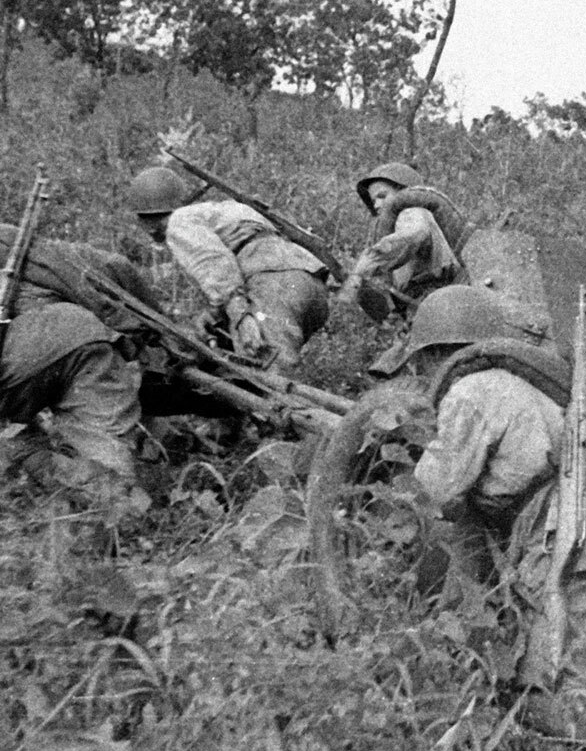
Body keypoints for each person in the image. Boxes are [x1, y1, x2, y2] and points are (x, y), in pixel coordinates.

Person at [388, 284, 586, 740]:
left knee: (548, 692)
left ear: (435, 354)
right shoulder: (540, 385)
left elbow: (431, 494)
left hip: (567, 538)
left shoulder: (471, 391)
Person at [0, 229, 154, 506]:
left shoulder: (12, 244)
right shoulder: (15, 243)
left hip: (60, 349)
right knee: (23, 443)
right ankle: (106, 496)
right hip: (76, 337)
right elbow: (112, 265)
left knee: (111, 490)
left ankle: (109, 503)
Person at [125, 166, 329, 371]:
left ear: (146, 221)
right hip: (310, 283)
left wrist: (241, 317)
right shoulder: (225, 210)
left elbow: (217, 263)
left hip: (273, 289)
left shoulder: (179, 221)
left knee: (268, 376)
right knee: (270, 369)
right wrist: (215, 313)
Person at [336, 162, 463, 323]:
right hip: (430, 305)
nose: (376, 205)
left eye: (382, 196)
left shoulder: (412, 213)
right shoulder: (399, 224)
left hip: (438, 302)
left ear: (403, 191)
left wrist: (365, 266)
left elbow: (412, 236)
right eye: (373, 201)